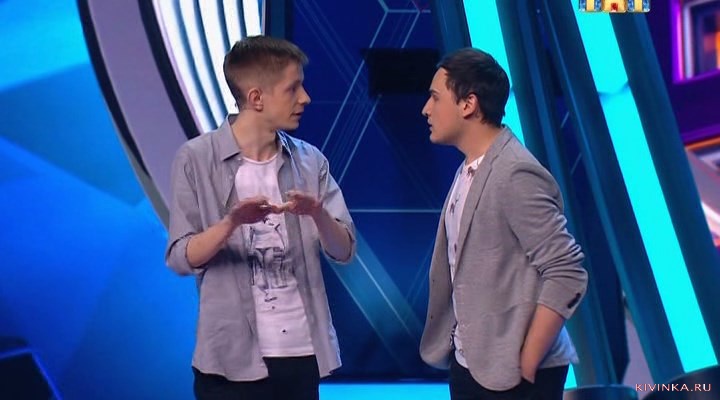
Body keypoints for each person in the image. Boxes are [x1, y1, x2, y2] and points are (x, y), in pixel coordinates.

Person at [165, 35, 356, 400]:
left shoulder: (310, 161)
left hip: (301, 354)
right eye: (293, 88)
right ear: (256, 98)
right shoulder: (196, 158)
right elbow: (180, 258)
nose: (305, 98)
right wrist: (231, 223)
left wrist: (317, 213)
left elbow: (344, 250)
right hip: (229, 360)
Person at [419, 47, 588, 400]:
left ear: (468, 104)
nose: (426, 109)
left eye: (435, 98)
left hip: (513, 375)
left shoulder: (514, 172)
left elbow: (567, 271)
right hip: (472, 364)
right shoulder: (471, 168)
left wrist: (527, 361)